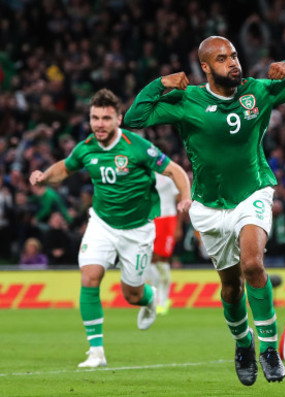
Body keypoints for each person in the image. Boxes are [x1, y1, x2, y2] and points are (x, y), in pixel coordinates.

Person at [123, 35, 285, 385]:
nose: (233, 63)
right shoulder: (188, 100)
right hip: (209, 207)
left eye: (235, 55)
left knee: (254, 264)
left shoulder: (259, 90)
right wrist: (160, 83)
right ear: (206, 67)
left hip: (252, 192)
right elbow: (135, 118)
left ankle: (268, 349)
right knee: (230, 288)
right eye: (223, 58)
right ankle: (243, 344)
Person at [29, 89, 191, 368]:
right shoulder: (86, 148)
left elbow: (175, 170)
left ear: (118, 119)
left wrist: (185, 197)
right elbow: (65, 168)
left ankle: (149, 299)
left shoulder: (137, 147)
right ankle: (96, 352)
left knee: (132, 294)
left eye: (106, 118)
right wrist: (43, 177)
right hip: (102, 224)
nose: (99, 124)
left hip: (137, 230)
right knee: (89, 277)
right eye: (95, 118)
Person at [145, 173, 182, 315]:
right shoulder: (145, 175)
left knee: (162, 259)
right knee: (150, 259)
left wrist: (178, 226)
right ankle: (156, 298)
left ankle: (163, 300)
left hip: (167, 220)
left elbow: (179, 200)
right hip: (151, 218)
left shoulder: (169, 176)